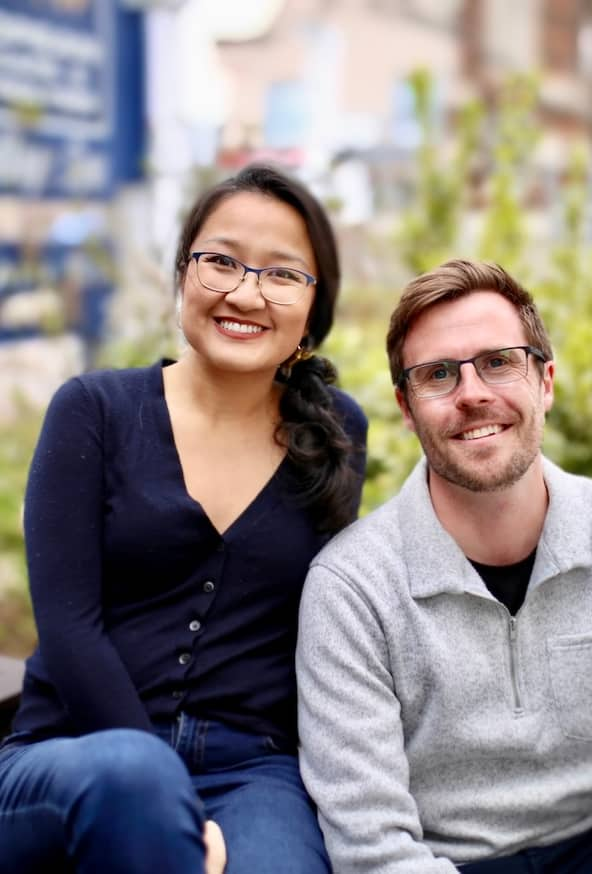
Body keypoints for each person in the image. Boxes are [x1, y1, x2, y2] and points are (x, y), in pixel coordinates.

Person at [0, 163, 367, 874]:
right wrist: (169, 803)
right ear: (182, 275)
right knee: (136, 782)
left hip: (250, 773)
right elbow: (69, 628)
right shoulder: (93, 411)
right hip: (77, 758)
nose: (245, 291)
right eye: (221, 261)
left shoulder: (335, 433)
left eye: (282, 273)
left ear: (313, 310)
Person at [296, 259, 592, 873]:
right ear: (407, 409)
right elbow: (374, 849)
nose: (473, 393)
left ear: (545, 381)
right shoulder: (352, 588)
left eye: (499, 361)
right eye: (438, 374)